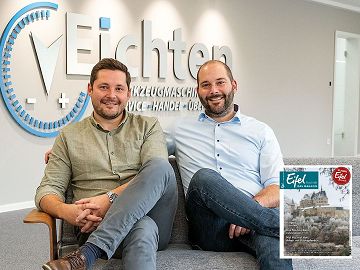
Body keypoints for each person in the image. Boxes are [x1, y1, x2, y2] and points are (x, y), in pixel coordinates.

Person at [36, 58, 177, 270]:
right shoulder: (68, 136)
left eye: (119, 88)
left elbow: (158, 175)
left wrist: (109, 200)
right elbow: (47, 190)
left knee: (160, 167)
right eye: (104, 87)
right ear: (90, 89)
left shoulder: (148, 126)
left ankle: (87, 254)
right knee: (142, 228)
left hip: (154, 217)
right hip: (91, 225)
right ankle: (90, 250)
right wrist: (67, 212)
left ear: (128, 94)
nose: (111, 95)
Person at [168, 60, 293, 270]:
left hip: (253, 224)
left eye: (220, 82)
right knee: (203, 178)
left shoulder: (260, 131)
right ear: (197, 90)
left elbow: (278, 188)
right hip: (209, 228)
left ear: (234, 85)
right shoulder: (178, 129)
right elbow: (147, 154)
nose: (214, 90)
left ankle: (274, 226)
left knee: (274, 245)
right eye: (206, 85)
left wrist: (248, 212)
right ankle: (294, 226)